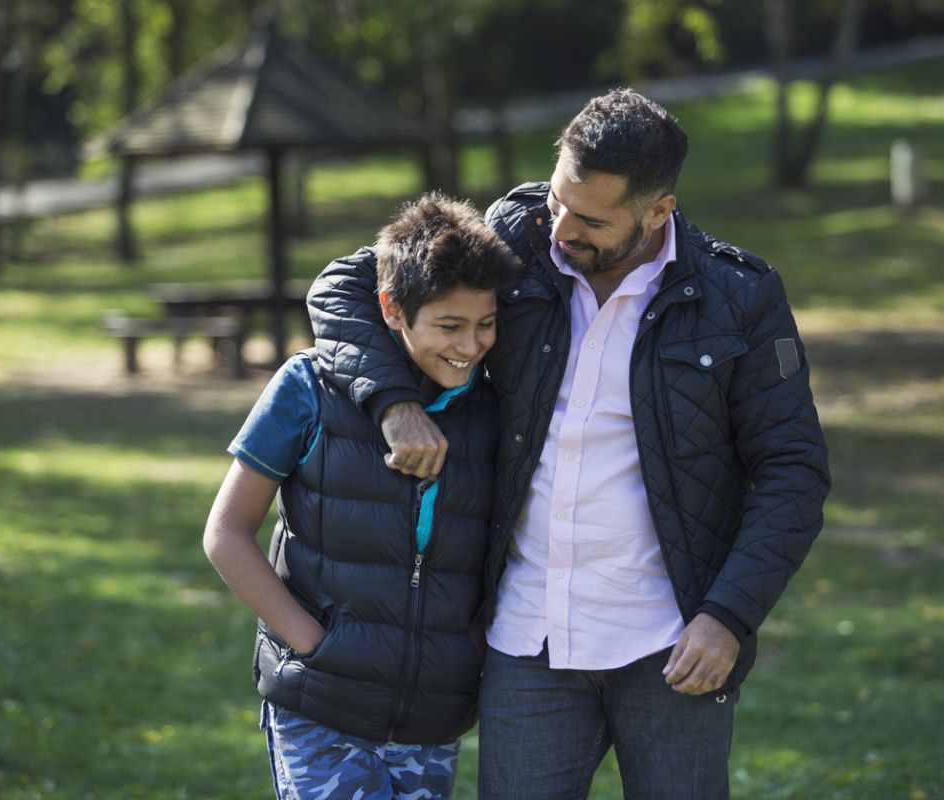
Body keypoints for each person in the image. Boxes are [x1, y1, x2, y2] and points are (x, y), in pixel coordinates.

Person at [306, 89, 831, 799]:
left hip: (673, 645)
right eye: (558, 199)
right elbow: (344, 285)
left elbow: (792, 470)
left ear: (658, 212)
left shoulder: (741, 297)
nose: (560, 228)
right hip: (526, 641)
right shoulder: (516, 235)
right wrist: (394, 405)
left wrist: (728, 616)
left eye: (590, 219)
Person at [203, 192, 520, 800]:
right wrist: (315, 644)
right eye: (449, 326)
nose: (471, 345)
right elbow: (225, 534)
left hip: (433, 719)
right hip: (321, 706)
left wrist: (465, 652)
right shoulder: (308, 386)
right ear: (392, 310)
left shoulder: (495, 410)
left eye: (485, 325)